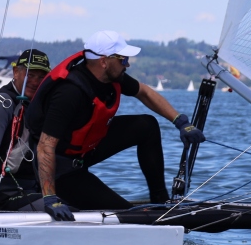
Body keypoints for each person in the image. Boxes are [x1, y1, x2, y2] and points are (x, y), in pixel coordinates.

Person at [26, 30, 204, 211]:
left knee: (146, 126)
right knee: (126, 212)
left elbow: (144, 92)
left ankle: (161, 200)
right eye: (123, 60)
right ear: (104, 61)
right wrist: (50, 198)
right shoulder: (69, 93)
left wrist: (181, 122)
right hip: (62, 170)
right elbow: (45, 147)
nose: (127, 64)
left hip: (85, 150)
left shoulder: (111, 77)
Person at [0, 48, 71, 222]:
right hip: (5, 196)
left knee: (80, 201)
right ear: (16, 72)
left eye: (41, 76)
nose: (35, 81)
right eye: (30, 75)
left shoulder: (38, 106)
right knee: (69, 209)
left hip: (33, 190)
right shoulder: (2, 103)